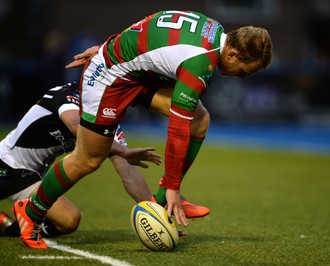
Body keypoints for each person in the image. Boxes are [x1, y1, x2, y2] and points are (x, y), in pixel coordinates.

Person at [13, 10, 273, 249]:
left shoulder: (213, 28)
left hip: (137, 74)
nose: (242, 77)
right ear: (232, 54)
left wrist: (110, 46)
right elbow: (177, 130)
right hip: (110, 78)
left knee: (199, 119)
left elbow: (150, 23)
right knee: (88, 160)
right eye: (245, 72)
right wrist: (174, 185)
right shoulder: (200, 64)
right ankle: (31, 213)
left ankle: (161, 200)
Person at [0, 82, 162, 237]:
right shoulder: (66, 95)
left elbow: (127, 170)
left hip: (29, 179)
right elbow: (77, 127)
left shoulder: (108, 118)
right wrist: (125, 150)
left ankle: (7, 225)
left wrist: (157, 216)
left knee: (69, 221)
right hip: (5, 164)